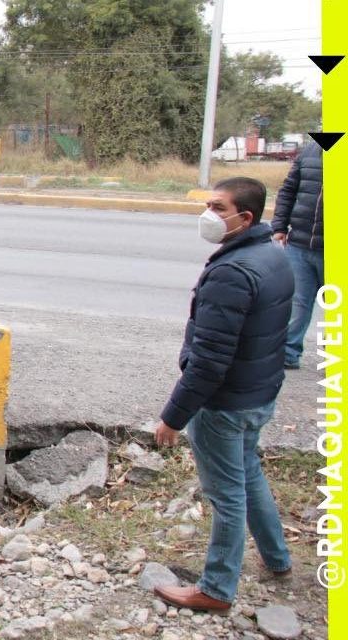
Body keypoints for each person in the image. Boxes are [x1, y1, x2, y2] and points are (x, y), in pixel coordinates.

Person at [152, 177, 295, 612]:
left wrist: (173, 417)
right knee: (248, 475)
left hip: (225, 404)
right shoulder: (274, 255)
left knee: (227, 495)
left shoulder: (232, 273)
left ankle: (215, 589)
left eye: (218, 207)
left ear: (244, 217)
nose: (208, 215)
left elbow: (210, 362)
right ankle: (277, 559)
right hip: (258, 395)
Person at [271, 141, 324, 369]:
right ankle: (288, 353)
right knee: (297, 302)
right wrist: (280, 227)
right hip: (300, 243)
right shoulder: (312, 150)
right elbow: (288, 190)